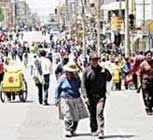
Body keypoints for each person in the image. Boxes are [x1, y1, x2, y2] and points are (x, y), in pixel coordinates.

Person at [81, 53, 112, 139]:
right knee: (92, 114)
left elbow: (109, 78)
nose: (95, 62)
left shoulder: (102, 70)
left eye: (96, 60)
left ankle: (100, 130)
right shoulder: (86, 71)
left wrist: (105, 72)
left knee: (100, 112)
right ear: (90, 61)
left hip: (101, 96)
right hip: (90, 97)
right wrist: (85, 97)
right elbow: (83, 85)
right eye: (93, 60)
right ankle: (94, 129)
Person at [54, 61, 88, 137]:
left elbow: (82, 87)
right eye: (68, 71)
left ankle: (73, 129)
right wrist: (56, 99)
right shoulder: (62, 78)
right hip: (65, 98)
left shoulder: (77, 78)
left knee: (76, 116)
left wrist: (86, 96)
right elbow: (58, 89)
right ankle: (68, 130)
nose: (68, 73)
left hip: (76, 98)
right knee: (67, 114)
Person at [137, 51, 153, 115]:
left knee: (152, 95)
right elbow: (139, 74)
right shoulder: (143, 64)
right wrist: (139, 83)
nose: (149, 56)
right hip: (145, 82)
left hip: (152, 81)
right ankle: (148, 108)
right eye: (148, 55)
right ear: (145, 56)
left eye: (150, 55)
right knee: (147, 96)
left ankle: (150, 107)